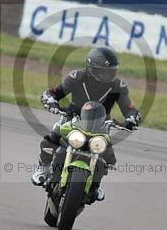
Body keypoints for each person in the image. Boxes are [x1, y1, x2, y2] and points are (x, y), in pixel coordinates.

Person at [31, 46, 142, 201]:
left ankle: (97, 182)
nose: (108, 75)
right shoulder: (77, 76)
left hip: (101, 124)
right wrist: (51, 101)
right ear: (91, 68)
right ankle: (42, 169)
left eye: (112, 71)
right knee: (53, 137)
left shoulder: (119, 86)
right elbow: (55, 92)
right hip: (72, 117)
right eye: (104, 71)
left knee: (107, 154)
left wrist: (131, 118)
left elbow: (128, 107)